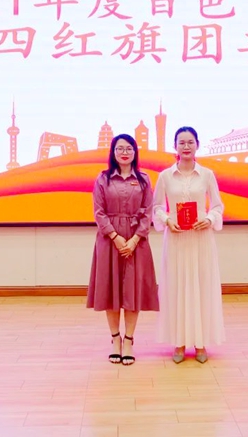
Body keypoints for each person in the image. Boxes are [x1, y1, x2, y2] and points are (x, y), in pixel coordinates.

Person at [153, 126, 225, 364]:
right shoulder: (165, 176)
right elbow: (157, 207)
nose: (186, 146)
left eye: (190, 142)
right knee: (177, 287)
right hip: (176, 239)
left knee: (201, 287)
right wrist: (167, 220)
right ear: (175, 146)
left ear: (197, 145)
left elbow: (217, 206)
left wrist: (209, 219)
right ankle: (180, 342)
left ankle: (201, 342)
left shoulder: (207, 175)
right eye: (181, 142)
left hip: (200, 239)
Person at [87, 134, 159, 366]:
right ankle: (115, 339)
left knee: (132, 292)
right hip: (109, 241)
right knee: (111, 292)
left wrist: (135, 240)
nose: (124, 152)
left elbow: (148, 213)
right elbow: (99, 212)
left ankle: (129, 340)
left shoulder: (144, 180)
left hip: (137, 242)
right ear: (113, 152)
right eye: (120, 148)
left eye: (129, 148)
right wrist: (116, 237)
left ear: (135, 152)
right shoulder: (103, 179)